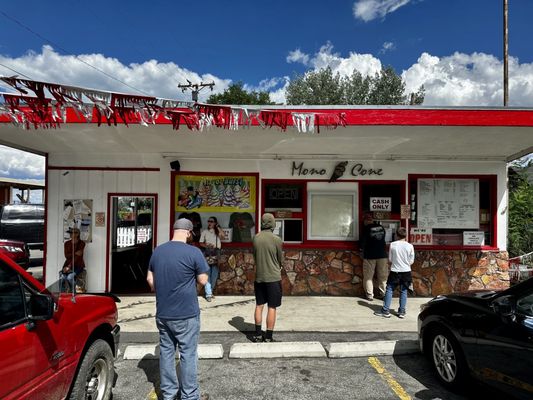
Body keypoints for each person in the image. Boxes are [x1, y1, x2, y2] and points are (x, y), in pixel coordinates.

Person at [146, 218, 210, 400]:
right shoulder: (193, 252)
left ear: (174, 230)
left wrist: (161, 287)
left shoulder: (158, 251)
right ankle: (189, 395)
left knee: (166, 353)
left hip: (163, 313)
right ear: (189, 232)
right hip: (186, 313)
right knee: (188, 354)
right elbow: (203, 280)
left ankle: (169, 394)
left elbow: (150, 280)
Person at [251, 213, 283, 343]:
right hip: (273, 277)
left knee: (259, 305)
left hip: (260, 276)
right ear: (273, 223)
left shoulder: (255, 238)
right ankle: (269, 336)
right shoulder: (277, 240)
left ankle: (258, 335)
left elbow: (255, 256)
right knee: (272, 307)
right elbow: (279, 258)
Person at [374, 227, 415, 318]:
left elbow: (390, 259)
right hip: (406, 271)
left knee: (389, 289)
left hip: (395, 270)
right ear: (405, 235)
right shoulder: (410, 246)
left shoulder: (392, 245)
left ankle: (385, 310)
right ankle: (401, 312)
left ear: (396, 235)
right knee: (403, 291)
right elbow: (411, 261)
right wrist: (405, 263)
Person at [360, 212, 388, 301]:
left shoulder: (366, 229)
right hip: (382, 255)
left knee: (368, 276)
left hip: (370, 255)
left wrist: (360, 249)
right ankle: (383, 294)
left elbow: (362, 242)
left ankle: (369, 295)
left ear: (365, 221)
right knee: (383, 276)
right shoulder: (381, 228)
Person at [199, 216, 226, 302]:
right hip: (208, 253)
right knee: (207, 273)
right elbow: (200, 243)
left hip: (216, 253)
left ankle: (210, 291)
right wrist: (207, 245)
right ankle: (208, 293)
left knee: (214, 274)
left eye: (211, 221)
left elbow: (223, 236)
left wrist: (218, 227)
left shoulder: (217, 232)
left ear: (215, 223)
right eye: (208, 221)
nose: (209, 223)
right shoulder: (205, 232)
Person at [61, 227, 86, 294]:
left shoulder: (82, 243)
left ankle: (73, 293)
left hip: (78, 265)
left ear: (78, 234)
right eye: (71, 233)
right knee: (62, 278)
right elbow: (66, 256)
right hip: (67, 264)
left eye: (74, 233)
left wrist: (69, 267)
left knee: (69, 277)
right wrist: (75, 253)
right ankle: (62, 294)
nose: (72, 234)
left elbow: (77, 258)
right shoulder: (67, 243)